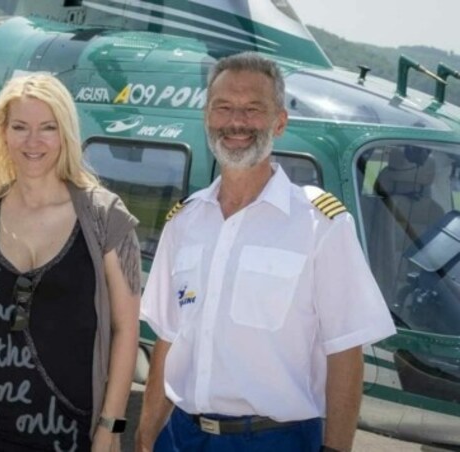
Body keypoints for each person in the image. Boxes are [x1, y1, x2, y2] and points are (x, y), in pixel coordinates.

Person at [136, 52, 396, 452]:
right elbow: (168, 340)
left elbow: (345, 351)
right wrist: (146, 435)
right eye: (223, 107)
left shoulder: (319, 225)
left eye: (252, 109)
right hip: (183, 436)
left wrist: (337, 448)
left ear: (279, 122)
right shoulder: (184, 223)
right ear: (207, 117)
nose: (236, 122)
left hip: (276, 439)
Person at [0, 73, 141, 452]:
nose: (33, 141)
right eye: (20, 127)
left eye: (47, 127)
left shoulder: (103, 217)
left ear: (65, 134)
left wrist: (111, 426)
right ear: (3, 132)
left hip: (63, 434)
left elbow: (126, 329)